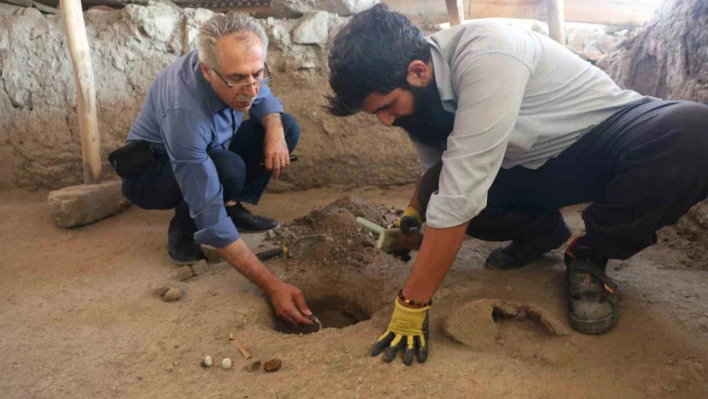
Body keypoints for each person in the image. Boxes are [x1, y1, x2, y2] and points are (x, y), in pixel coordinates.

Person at [326, 4, 708, 365]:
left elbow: (460, 191)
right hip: (530, 165)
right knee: (451, 199)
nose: (386, 122)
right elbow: (436, 171)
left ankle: (590, 252)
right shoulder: (421, 97)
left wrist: (412, 304)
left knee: (694, 131)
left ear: (418, 72)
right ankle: (543, 232)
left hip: (601, 137)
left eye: (387, 106)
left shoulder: (488, 52)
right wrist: (412, 218)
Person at [121, 12, 313, 326]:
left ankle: (233, 207)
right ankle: (183, 236)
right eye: (238, 79)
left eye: (257, 73)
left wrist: (275, 132)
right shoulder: (185, 111)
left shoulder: (238, 69)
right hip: (151, 173)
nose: (251, 89)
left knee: (285, 126)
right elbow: (205, 198)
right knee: (225, 169)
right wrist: (271, 284)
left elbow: (262, 97)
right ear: (207, 71)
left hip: (211, 151)